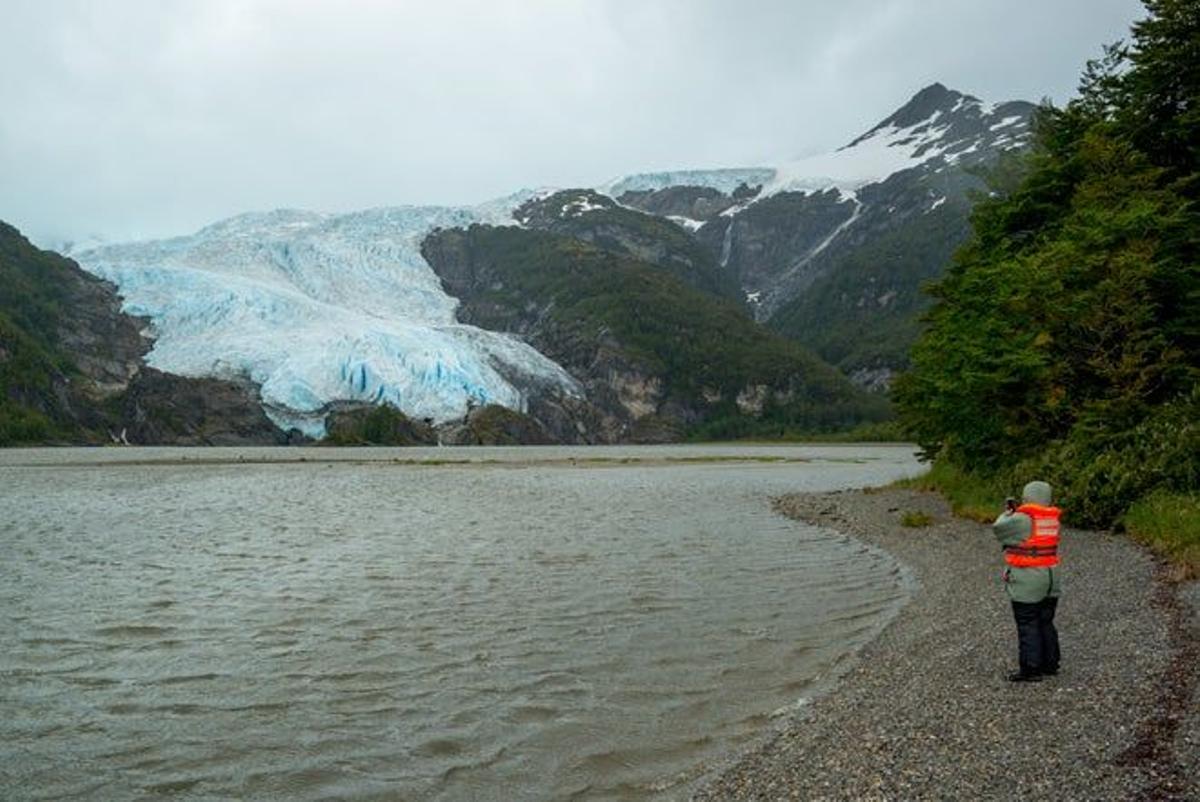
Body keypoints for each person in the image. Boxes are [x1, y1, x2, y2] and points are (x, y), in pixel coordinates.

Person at [992, 480, 1061, 682]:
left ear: (1027, 497)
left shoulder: (1022, 519)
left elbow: (998, 529)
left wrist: (1007, 513)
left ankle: (1031, 669)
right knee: (1045, 621)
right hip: (1051, 578)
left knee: (1027, 622)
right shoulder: (1051, 519)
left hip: (1029, 579)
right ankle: (1050, 664)